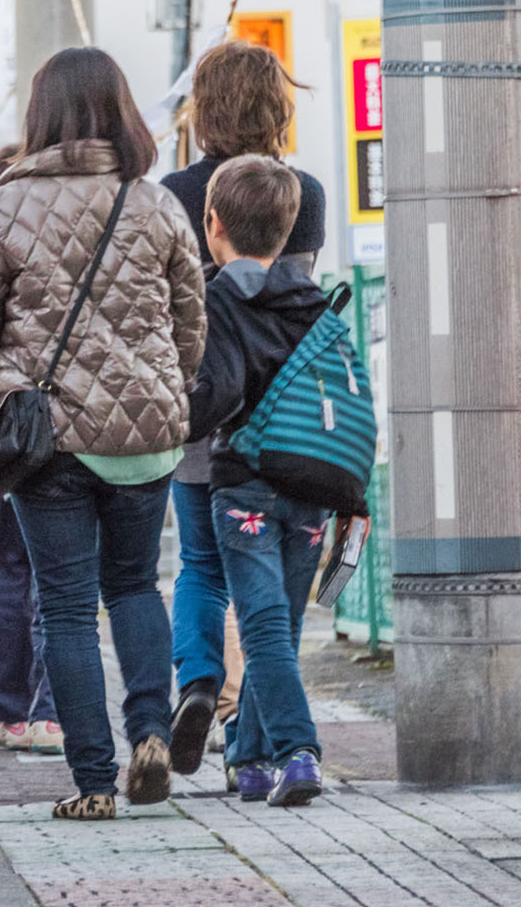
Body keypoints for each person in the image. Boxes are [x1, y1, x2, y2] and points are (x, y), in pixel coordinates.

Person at [0, 47, 205, 821]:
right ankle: (150, 732)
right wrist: (163, 392)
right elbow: (192, 326)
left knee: (64, 605)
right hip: (146, 435)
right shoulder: (156, 205)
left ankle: (93, 779)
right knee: (133, 585)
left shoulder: (3, 208)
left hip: (46, 435)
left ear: (41, 115)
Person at [160, 41, 326, 777]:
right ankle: (254, 747)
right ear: (276, 104)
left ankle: (197, 681)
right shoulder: (304, 192)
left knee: (200, 563)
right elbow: (287, 299)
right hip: (283, 418)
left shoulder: (173, 192)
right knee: (273, 597)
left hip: (198, 406)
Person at [185, 156, 332, 808]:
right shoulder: (316, 301)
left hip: (244, 487)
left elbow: (215, 393)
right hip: (311, 484)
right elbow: (341, 401)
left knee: (263, 623)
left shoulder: (219, 296)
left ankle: (297, 752)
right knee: (283, 625)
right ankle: (248, 759)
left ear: (212, 225)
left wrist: (176, 419)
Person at [0, 145, 60, 757]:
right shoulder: (63, 234)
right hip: (60, 429)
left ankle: (10, 712)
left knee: (8, 571)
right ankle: (52, 714)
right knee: (60, 578)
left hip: (1, 431)